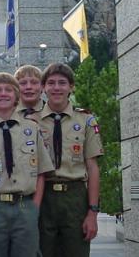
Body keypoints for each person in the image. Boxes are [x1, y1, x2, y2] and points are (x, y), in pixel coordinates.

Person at [0, 72, 54, 257]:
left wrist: (35, 206)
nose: (3, 93)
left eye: (8, 90)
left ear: (16, 95)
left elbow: (41, 172)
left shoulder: (31, 129)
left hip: (24, 207)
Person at [38, 63, 103, 257]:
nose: (56, 88)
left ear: (71, 86)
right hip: (43, 196)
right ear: (43, 88)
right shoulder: (31, 122)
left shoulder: (85, 121)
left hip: (75, 197)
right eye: (51, 83)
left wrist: (92, 212)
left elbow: (92, 168)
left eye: (62, 83)